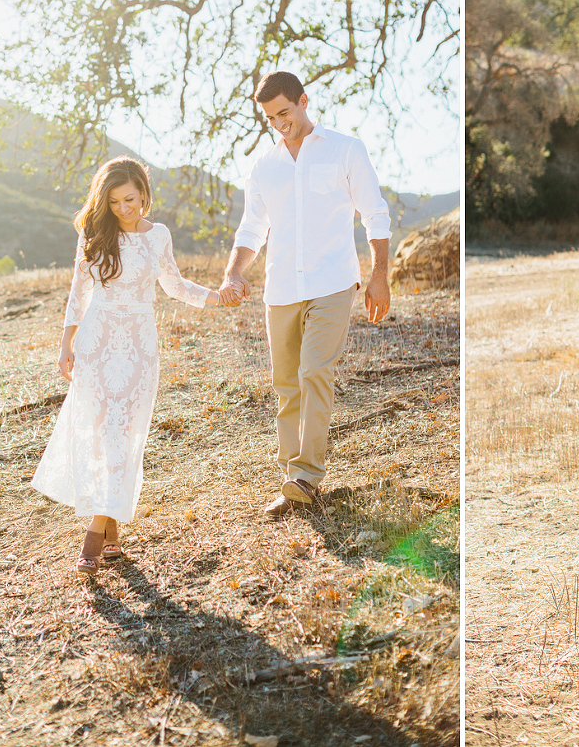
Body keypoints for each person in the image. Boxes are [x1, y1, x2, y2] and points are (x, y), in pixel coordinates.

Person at [32, 156, 223, 577]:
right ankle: (111, 535)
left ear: (143, 191)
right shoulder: (93, 232)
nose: (123, 209)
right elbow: (78, 291)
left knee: (123, 434)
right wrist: (67, 340)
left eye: (130, 199)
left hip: (138, 343)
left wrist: (216, 296)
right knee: (102, 433)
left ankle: (93, 538)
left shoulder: (158, 236)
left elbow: (174, 285)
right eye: (115, 201)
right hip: (97, 339)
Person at [217, 71, 391, 517]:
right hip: (282, 288)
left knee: (315, 372)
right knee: (286, 386)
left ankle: (307, 476)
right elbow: (252, 228)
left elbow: (374, 213)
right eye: (270, 117)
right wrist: (233, 273)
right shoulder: (264, 166)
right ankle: (292, 478)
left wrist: (380, 275)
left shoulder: (345, 149)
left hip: (333, 281)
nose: (279, 123)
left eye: (285, 113)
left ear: (304, 101)